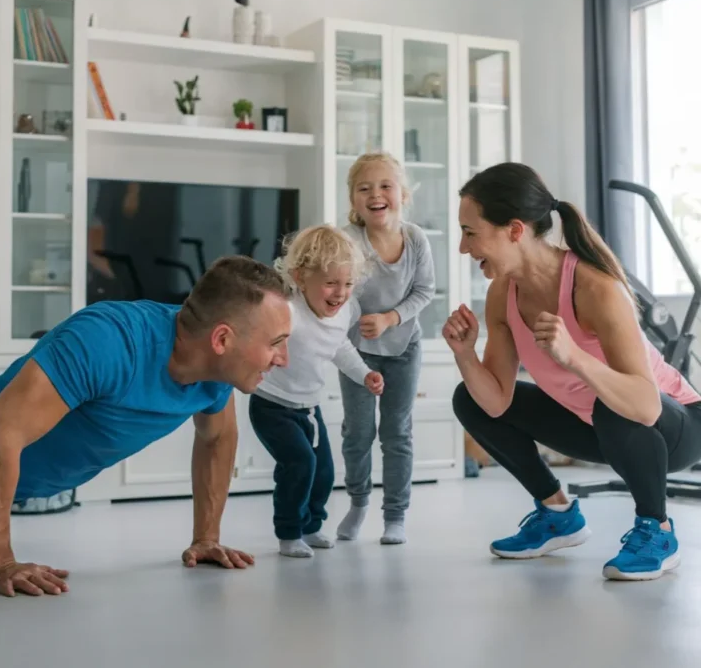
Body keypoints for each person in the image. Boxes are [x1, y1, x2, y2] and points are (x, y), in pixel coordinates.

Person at [0, 256, 293, 597]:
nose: (284, 358)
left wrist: (206, 539)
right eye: (276, 343)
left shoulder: (215, 376)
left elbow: (217, 439)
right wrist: (1, 565)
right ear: (222, 339)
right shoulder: (108, 342)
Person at [445, 162, 701, 581]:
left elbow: (644, 403)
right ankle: (557, 514)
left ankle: (658, 530)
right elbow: (496, 403)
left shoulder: (595, 287)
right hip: (601, 426)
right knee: (467, 396)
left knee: (612, 405)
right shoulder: (501, 294)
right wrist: (465, 355)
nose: (463, 247)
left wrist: (574, 357)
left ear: (514, 229)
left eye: (470, 232)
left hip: (677, 426)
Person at [249, 225, 384, 558]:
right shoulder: (288, 310)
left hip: (309, 408)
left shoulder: (345, 312)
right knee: (299, 464)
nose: (340, 293)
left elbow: (340, 348)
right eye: (330, 283)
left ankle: (311, 525)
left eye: (348, 284)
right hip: (271, 405)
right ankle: (289, 532)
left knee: (323, 470)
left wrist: (365, 373)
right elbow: (258, 341)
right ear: (299, 277)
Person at [336, 152, 436, 545]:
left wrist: (390, 319)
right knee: (358, 432)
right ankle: (359, 502)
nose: (375, 194)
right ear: (354, 200)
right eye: (365, 188)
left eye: (385, 186)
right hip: (356, 351)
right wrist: (361, 319)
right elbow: (340, 289)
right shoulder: (348, 240)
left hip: (404, 348)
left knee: (397, 432)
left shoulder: (415, 239)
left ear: (403, 194)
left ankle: (395, 514)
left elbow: (425, 290)